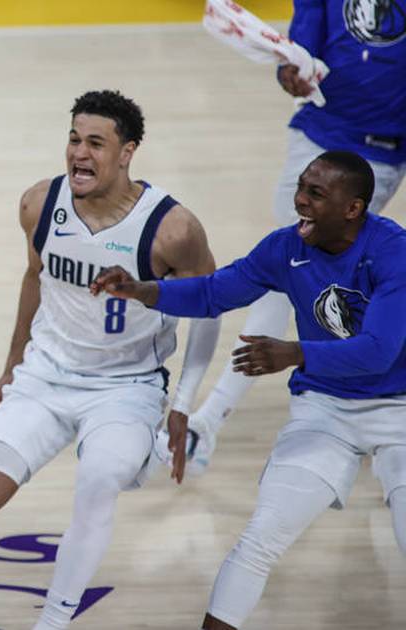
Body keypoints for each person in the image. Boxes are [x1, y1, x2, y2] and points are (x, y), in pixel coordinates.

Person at [0, 90, 221, 630]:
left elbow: (210, 308)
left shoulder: (173, 229)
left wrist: (184, 404)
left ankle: (52, 622)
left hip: (127, 386)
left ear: (127, 152)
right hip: (46, 377)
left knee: (99, 481)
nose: (79, 153)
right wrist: (12, 364)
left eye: (96, 142)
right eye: (74, 139)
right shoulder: (38, 204)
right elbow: (34, 278)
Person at [92, 150, 406, 630]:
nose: (299, 200)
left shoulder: (393, 252)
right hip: (324, 409)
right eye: (301, 186)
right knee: (260, 538)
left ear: (353, 208)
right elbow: (215, 291)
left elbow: (379, 351)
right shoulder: (284, 248)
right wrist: (142, 290)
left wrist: (294, 353)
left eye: (315, 194)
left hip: (399, 409)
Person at [182, 0, 406, 476]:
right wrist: (294, 75)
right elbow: (294, 64)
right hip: (322, 134)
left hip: (384, 154)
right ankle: (210, 418)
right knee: (294, 261)